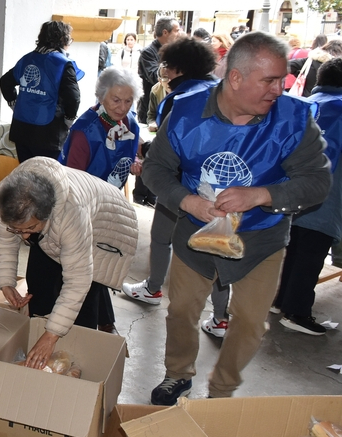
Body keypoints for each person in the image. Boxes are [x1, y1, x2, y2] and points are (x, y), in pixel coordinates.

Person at [143, 32, 331, 404]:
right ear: (236, 78)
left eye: (282, 79)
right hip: (196, 233)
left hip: (261, 240)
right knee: (181, 310)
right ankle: (178, 374)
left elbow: (318, 182)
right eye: (270, 80)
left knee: (248, 323)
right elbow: (155, 170)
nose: (280, 89)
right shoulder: (186, 112)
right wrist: (188, 202)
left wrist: (263, 195)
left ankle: (222, 390)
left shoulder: (294, 119)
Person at [0, 157, 138, 369]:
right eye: (18, 230)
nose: (23, 238)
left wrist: (51, 336)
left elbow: (78, 281)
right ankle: (41, 353)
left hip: (106, 226)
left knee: (86, 298)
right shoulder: (8, 196)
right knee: (38, 284)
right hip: (59, 223)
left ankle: (88, 346)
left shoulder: (72, 213)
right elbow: (4, 237)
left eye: (29, 228)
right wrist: (6, 282)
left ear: (47, 215)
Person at [124, 38, 228, 329]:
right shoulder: (220, 91)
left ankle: (153, 288)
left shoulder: (181, 100)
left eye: (167, 66)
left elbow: (172, 147)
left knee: (161, 235)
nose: (165, 73)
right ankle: (222, 318)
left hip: (183, 186)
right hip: (220, 187)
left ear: (180, 68)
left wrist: (145, 150)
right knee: (218, 250)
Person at [59, 66, 141, 333]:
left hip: (111, 201)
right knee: (89, 264)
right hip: (83, 203)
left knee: (102, 260)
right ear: (101, 97)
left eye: (128, 101)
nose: (122, 107)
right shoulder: (85, 130)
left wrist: (134, 164)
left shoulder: (131, 123)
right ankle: (98, 325)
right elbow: (72, 179)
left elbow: (126, 157)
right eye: (116, 100)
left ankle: (104, 322)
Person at [272, 58, 342, 335]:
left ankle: (281, 301)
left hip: (291, 188)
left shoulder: (303, 104)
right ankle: (297, 311)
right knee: (312, 253)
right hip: (327, 193)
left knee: (295, 247)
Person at [0, 20, 83, 162]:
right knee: (46, 178)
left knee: (27, 174)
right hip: (49, 131)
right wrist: (68, 120)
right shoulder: (62, 63)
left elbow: (5, 82)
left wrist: (14, 103)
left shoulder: (27, 59)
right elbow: (73, 97)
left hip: (22, 129)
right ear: (63, 39)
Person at [138, 17, 180, 124]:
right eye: (176, 30)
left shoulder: (177, 51)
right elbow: (153, 76)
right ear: (165, 32)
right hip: (152, 109)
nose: (179, 34)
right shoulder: (148, 52)